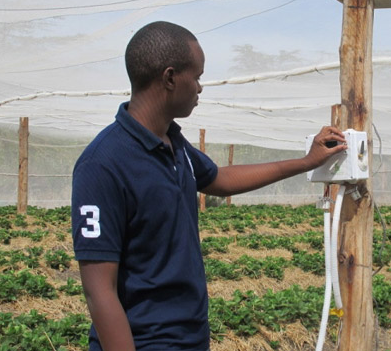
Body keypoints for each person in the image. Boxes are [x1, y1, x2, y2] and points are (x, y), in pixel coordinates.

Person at [71, 21, 347, 351]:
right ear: (170, 78)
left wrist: (307, 161)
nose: (200, 88)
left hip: (191, 337)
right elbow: (99, 290)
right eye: (197, 77)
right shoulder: (103, 164)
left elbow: (219, 179)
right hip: (146, 342)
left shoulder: (174, 144)